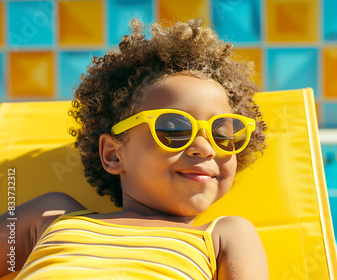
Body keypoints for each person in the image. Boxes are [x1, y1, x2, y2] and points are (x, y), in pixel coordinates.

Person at [0, 18, 269, 279]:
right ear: (113, 154)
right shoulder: (51, 215)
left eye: (222, 134)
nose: (204, 148)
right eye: (174, 129)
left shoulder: (227, 236)